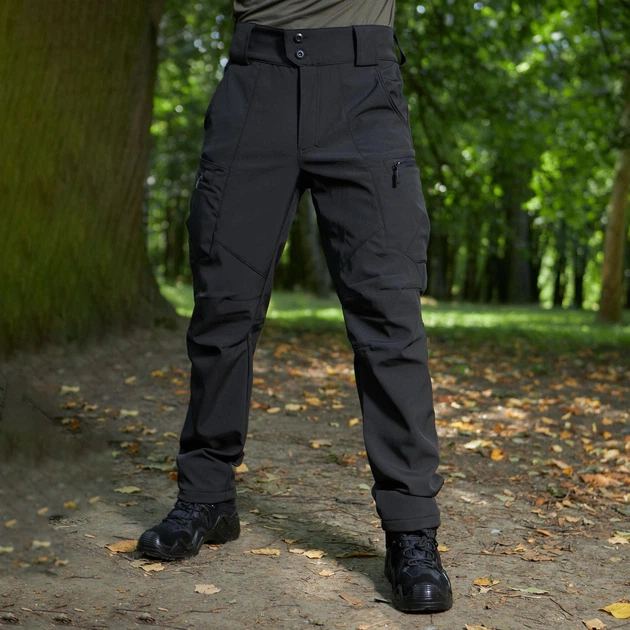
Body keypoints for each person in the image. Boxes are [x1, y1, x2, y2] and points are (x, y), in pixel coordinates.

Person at [138, 0, 453, 614]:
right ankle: (206, 497)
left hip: (363, 85)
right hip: (257, 79)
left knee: (389, 316)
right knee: (223, 306)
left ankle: (412, 531)